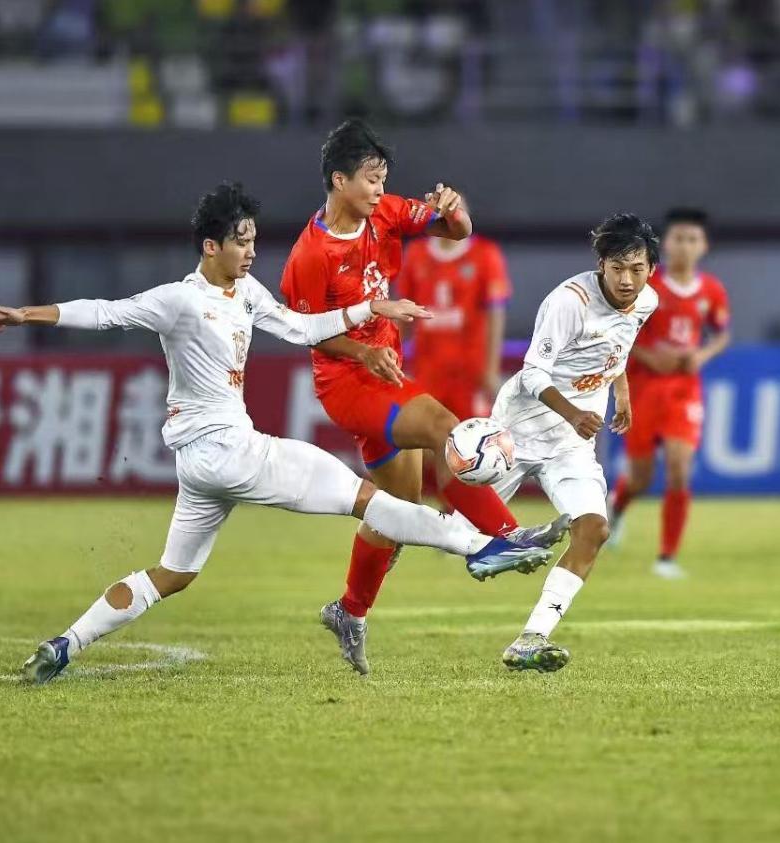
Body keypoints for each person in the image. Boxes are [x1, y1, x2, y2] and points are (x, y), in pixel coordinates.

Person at [0, 182, 554, 685]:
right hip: (231, 450)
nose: (251, 252)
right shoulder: (179, 300)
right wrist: (27, 315)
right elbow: (105, 311)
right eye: (240, 242)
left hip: (201, 467)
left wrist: (369, 309)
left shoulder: (247, 293)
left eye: (253, 240)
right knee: (367, 500)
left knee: (174, 573)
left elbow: (301, 327)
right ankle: (481, 547)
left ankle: (63, 644)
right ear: (210, 246)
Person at [279, 120, 568, 674]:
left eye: (383, 179)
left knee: (399, 511)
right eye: (371, 180)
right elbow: (302, 330)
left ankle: (349, 610)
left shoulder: (385, 213)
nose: (380, 190)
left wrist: (454, 211)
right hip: (347, 382)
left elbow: (455, 230)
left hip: (386, 372)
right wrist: (362, 352)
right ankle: (503, 537)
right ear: (339, 180)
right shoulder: (310, 255)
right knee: (444, 426)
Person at [488, 214, 660, 672]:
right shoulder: (569, 302)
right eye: (617, 268)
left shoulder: (647, 301)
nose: (627, 280)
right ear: (601, 265)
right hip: (518, 431)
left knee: (594, 529)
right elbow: (532, 373)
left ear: (651, 269)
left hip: (570, 445)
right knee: (454, 534)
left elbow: (617, 348)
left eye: (637, 269)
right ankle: (370, 565)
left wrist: (622, 393)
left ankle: (532, 638)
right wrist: (574, 413)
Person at [606, 208, 731, 579]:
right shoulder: (646, 285)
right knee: (641, 477)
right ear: (665, 243)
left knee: (679, 469)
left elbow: (721, 333)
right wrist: (649, 356)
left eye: (693, 239)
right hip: (643, 388)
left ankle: (666, 558)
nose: (686, 246)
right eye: (679, 238)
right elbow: (616, 331)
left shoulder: (711, 290)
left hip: (684, 389)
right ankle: (618, 507)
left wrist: (702, 355)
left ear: (704, 245)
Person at [398, 199, 512, 493]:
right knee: (421, 445)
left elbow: (495, 313)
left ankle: (463, 513)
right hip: (428, 369)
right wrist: (394, 358)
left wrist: (490, 370)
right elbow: (404, 314)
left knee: (470, 448)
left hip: (469, 372)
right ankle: (418, 507)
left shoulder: (485, 254)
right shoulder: (417, 254)